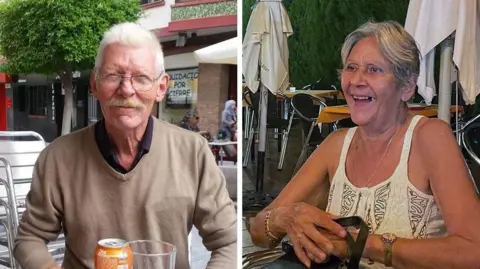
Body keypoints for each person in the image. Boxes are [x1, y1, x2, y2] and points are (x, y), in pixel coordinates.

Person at [249, 21, 480, 268]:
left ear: (407, 86)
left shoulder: (429, 138)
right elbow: (258, 231)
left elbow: (473, 250)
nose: (356, 80)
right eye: (351, 67)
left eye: (373, 70)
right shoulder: (336, 146)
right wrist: (286, 217)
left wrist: (363, 245)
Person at [13, 22, 236, 269]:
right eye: (113, 76)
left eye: (141, 78)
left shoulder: (193, 153)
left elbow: (228, 242)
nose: (126, 89)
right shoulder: (57, 157)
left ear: (161, 87)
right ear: (94, 85)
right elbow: (29, 238)